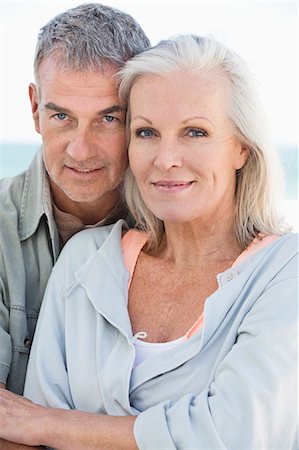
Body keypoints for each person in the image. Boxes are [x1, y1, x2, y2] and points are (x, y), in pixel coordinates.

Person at [0, 34, 297, 450]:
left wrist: (49, 424)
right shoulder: (86, 260)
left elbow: (234, 433)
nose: (165, 158)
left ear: (242, 149)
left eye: (195, 132)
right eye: (146, 132)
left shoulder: (286, 270)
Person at [0, 2, 150, 400]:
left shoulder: (183, 232)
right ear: (35, 109)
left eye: (108, 118)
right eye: (61, 117)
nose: (81, 151)